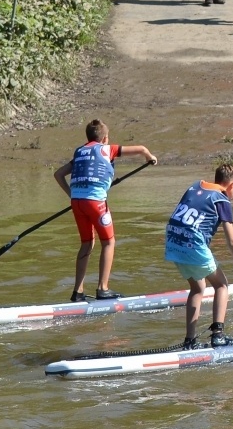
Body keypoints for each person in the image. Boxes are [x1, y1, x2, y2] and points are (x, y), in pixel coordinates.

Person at [53, 120, 158, 302]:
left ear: (88, 137)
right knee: (108, 242)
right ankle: (103, 289)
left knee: (87, 243)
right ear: (105, 138)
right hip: (95, 203)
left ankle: (77, 292)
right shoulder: (108, 149)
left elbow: (58, 174)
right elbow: (141, 149)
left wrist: (72, 195)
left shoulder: (79, 151)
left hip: (77, 203)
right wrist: (151, 158)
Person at [163, 164, 233, 350]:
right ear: (232, 184)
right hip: (193, 245)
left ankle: (190, 341)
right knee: (221, 285)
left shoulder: (196, 186)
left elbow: (210, 199)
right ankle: (218, 335)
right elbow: (232, 241)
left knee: (197, 288)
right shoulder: (223, 202)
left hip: (173, 241)